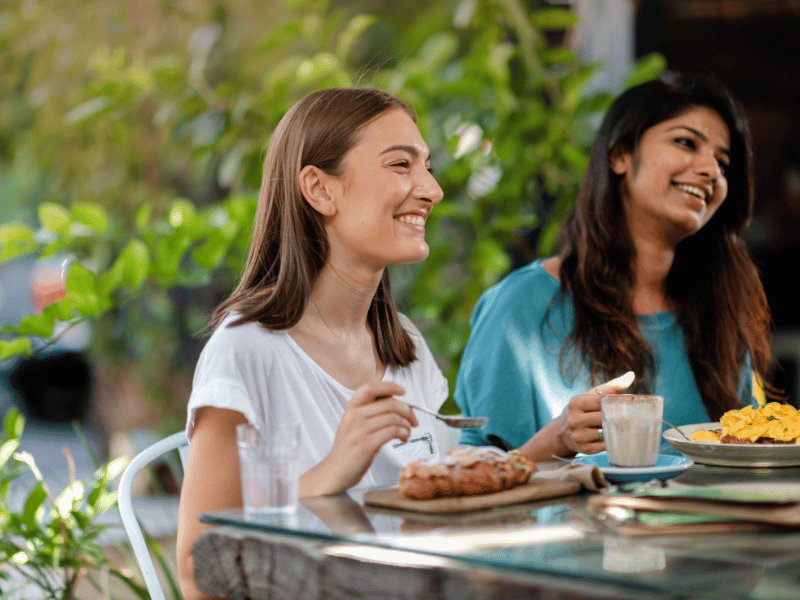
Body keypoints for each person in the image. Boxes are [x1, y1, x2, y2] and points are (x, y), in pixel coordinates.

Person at [176, 87, 447, 600]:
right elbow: (198, 572)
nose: (431, 189)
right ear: (320, 190)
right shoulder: (247, 353)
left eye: (427, 167)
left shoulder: (404, 346)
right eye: (400, 166)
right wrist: (327, 477)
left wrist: (546, 447)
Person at [454, 72, 774, 462]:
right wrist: (556, 440)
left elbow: (751, 458)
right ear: (620, 155)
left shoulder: (719, 315)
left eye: (723, 163)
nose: (711, 171)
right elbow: (473, 476)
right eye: (686, 142)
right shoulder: (520, 305)